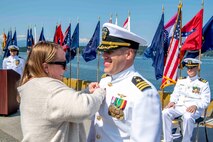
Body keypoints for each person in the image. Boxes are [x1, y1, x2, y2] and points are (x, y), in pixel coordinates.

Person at [17, 41, 106, 142]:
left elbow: (60, 106)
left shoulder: (34, 85)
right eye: (63, 64)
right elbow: (84, 108)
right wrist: (100, 92)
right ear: (46, 67)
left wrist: (86, 92)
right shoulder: (48, 88)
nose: (66, 68)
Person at [87, 23, 162, 142]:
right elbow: (97, 124)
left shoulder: (145, 93)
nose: (104, 56)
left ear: (128, 54)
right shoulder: (105, 81)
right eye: (103, 51)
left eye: (109, 51)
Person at [162, 58, 211, 142]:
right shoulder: (181, 80)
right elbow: (175, 93)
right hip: (179, 106)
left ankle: (186, 140)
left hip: (194, 109)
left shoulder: (203, 83)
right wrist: (172, 101)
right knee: (165, 112)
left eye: (192, 67)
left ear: (197, 68)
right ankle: (168, 140)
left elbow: (206, 100)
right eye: (188, 68)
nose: (189, 70)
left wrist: (196, 105)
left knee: (187, 117)